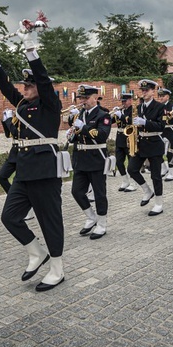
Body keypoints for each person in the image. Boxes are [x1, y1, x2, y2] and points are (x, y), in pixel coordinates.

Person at [0, 24, 65, 292]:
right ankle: (35, 252)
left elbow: (42, 79)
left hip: (44, 170)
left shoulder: (50, 105)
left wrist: (29, 47)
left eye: (30, 84)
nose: (25, 87)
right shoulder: (23, 105)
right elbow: (5, 85)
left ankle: (57, 269)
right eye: (24, 84)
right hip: (24, 170)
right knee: (10, 217)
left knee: (49, 220)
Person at [68, 85, 112, 239]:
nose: (83, 101)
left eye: (86, 98)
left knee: (99, 193)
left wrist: (84, 127)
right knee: (77, 191)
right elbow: (77, 135)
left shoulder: (103, 115)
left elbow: (102, 135)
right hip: (80, 159)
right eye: (81, 98)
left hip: (96, 159)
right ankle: (91, 216)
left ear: (95, 98)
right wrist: (71, 134)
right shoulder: (79, 115)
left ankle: (102, 224)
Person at [127, 79, 167, 216]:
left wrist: (146, 122)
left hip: (155, 142)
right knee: (132, 169)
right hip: (141, 143)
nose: (144, 93)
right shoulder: (139, 107)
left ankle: (159, 203)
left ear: (152, 91)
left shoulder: (160, 107)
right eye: (142, 90)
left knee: (156, 176)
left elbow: (161, 127)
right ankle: (147, 190)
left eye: (146, 90)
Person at [112, 92, 136, 192]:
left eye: (125, 101)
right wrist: (114, 114)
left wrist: (121, 116)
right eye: (122, 101)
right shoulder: (121, 110)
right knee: (119, 161)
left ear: (130, 100)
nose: (123, 103)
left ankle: (133, 182)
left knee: (131, 162)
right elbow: (111, 121)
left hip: (129, 138)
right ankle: (125, 180)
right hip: (120, 138)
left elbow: (133, 121)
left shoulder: (134, 110)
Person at [157, 87, 173, 182]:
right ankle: (164, 167)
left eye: (162, 96)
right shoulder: (158, 106)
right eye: (159, 96)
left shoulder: (172, 106)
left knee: (170, 151)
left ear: (167, 96)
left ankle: (171, 173)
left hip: (170, 129)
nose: (160, 98)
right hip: (161, 130)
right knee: (157, 150)